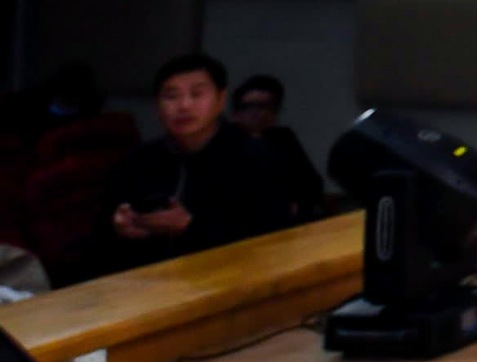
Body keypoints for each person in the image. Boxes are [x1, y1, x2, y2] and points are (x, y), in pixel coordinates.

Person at [105, 54, 291, 264]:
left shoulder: (256, 158)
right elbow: (102, 239)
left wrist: (190, 227)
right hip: (148, 276)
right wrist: (119, 227)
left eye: (197, 94)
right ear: (157, 106)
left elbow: (272, 239)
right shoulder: (137, 161)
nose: (184, 105)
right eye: (171, 96)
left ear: (220, 99)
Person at [227, 75, 325, 223]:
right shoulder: (225, 144)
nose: (257, 113)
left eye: (264, 106)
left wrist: (296, 206)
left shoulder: (284, 139)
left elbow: (312, 183)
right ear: (236, 113)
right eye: (248, 106)